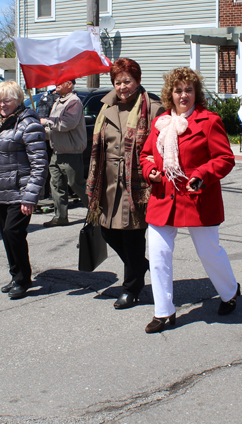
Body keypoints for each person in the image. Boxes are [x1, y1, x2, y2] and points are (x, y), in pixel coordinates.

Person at [140, 67, 240, 334]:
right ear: (169, 94)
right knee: (159, 255)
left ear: (196, 92)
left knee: (209, 253)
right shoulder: (160, 122)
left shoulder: (209, 121)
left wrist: (202, 174)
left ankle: (230, 292)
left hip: (197, 197)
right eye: (178, 90)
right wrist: (149, 171)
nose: (183, 95)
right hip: (164, 197)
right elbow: (146, 155)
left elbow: (225, 159)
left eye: (188, 90)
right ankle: (163, 312)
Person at [86, 58, 165, 309]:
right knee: (108, 230)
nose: (123, 87)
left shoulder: (153, 109)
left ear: (138, 81)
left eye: (127, 81)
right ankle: (139, 266)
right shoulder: (105, 107)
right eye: (118, 82)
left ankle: (131, 288)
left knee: (133, 236)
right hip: (108, 183)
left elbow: (162, 147)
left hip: (138, 182)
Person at [0, 81, 48, 299]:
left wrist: (30, 197)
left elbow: (39, 163)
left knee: (13, 233)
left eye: (6, 100)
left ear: (17, 100)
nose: (1, 104)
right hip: (0, 189)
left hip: (21, 190)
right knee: (6, 236)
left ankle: (23, 278)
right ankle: (16, 275)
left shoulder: (28, 124)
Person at [40, 79, 89, 227]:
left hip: (71, 151)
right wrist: (43, 132)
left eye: (62, 81)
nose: (57, 83)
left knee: (76, 184)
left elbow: (67, 123)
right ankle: (60, 216)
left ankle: (97, 212)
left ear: (70, 84)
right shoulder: (57, 101)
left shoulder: (74, 102)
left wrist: (46, 121)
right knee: (56, 184)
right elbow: (54, 128)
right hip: (57, 151)